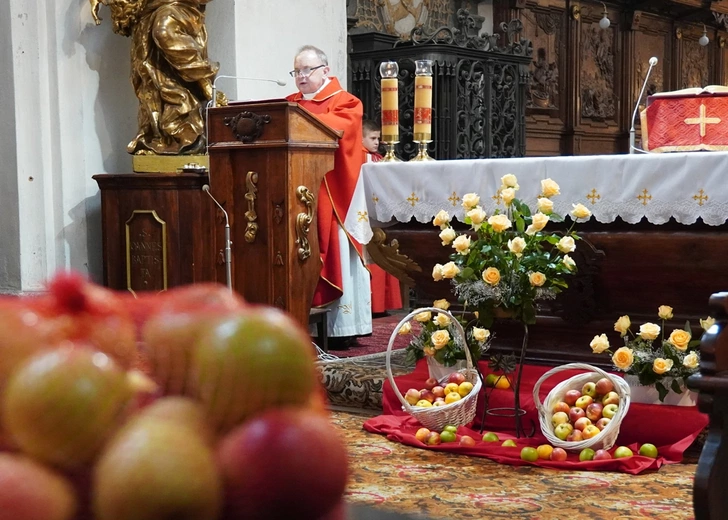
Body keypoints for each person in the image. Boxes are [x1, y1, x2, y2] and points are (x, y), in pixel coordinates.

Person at [286, 45, 372, 346]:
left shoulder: (347, 102)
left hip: (332, 192)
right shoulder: (289, 105)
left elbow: (335, 132)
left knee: (332, 248)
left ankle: (341, 329)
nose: (301, 77)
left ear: (325, 70)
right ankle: (306, 324)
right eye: (296, 71)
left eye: (306, 70)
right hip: (297, 190)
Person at [90, 0, 218, 155]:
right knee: (147, 71)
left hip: (178, 5)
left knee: (164, 30)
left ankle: (203, 83)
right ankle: (164, 135)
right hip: (146, 10)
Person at [361, 120, 403, 316]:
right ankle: (372, 305)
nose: (377, 142)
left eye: (378, 138)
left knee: (384, 257)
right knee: (370, 258)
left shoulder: (379, 158)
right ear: (360, 138)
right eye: (373, 138)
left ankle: (383, 304)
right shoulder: (360, 159)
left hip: (382, 214)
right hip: (365, 215)